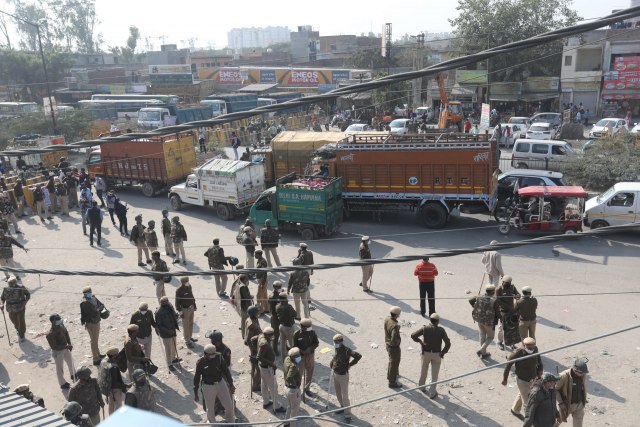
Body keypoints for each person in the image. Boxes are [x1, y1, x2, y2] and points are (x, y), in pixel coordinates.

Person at [410, 313, 451, 399]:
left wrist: (420, 342)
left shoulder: (425, 328)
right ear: (438, 321)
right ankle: (432, 393)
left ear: (430, 320)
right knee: (434, 374)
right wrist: (443, 352)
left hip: (426, 353)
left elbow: (413, 335)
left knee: (424, 370)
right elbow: (448, 343)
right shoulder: (441, 330)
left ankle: (422, 387)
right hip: (437, 354)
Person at [502, 337, 543, 421]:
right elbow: (508, 365)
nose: (531, 349)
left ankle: (515, 410)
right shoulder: (517, 353)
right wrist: (505, 379)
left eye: (532, 346)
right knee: (527, 402)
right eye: (529, 347)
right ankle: (529, 420)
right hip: (522, 380)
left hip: (533, 378)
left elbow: (539, 360)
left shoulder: (535, 349)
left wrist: (540, 371)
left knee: (522, 394)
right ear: (524, 345)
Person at [193, 344, 236, 423]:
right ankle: (213, 423)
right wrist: (195, 392)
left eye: (214, 354)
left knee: (229, 405)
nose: (213, 356)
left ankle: (230, 420)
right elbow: (197, 378)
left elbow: (226, 371)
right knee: (210, 408)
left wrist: (231, 384)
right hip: (208, 386)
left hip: (220, 383)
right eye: (211, 355)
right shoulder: (200, 362)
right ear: (205, 354)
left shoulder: (219, 357)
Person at [330, 334, 361, 423]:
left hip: (343, 375)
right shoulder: (337, 348)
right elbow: (336, 356)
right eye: (334, 342)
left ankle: (347, 415)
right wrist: (332, 363)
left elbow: (358, 356)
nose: (335, 343)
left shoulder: (347, 350)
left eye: (337, 342)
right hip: (335, 373)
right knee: (338, 393)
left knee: (345, 396)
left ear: (341, 342)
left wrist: (350, 365)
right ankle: (342, 407)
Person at [257, 327, 286, 414]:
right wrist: (271, 364)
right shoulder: (264, 344)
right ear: (266, 335)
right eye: (271, 335)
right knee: (274, 387)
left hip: (263, 367)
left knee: (264, 384)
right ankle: (276, 406)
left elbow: (253, 339)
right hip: (267, 368)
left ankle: (266, 402)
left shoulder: (261, 336)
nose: (272, 336)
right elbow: (259, 357)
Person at [469, 284, 500, 359]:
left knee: (482, 335)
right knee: (491, 337)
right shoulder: (494, 300)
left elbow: (471, 300)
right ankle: (481, 350)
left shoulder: (480, 296)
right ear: (492, 292)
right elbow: (498, 312)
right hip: (489, 322)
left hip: (479, 320)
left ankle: (483, 353)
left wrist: (474, 306)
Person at [556, 357, 589, 426]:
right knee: (558, 421)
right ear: (575, 370)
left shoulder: (583, 375)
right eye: (581, 373)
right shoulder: (564, 376)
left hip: (579, 404)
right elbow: (555, 389)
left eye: (584, 373)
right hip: (566, 404)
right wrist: (561, 403)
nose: (583, 374)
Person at [46, 313, 74, 389]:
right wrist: (66, 346)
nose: (59, 320)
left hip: (65, 348)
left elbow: (66, 334)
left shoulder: (61, 326)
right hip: (58, 352)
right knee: (59, 368)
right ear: (52, 321)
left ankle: (73, 374)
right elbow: (54, 347)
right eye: (57, 319)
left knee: (70, 362)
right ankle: (62, 383)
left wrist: (69, 343)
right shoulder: (50, 334)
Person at [292, 318, 319, 397]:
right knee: (298, 374)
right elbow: (294, 347)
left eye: (310, 326)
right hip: (300, 357)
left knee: (309, 372)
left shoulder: (312, 333)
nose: (310, 328)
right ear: (302, 327)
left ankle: (307, 389)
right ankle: (297, 389)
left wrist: (309, 349)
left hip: (310, 355)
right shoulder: (296, 334)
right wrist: (302, 351)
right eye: (308, 327)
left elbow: (316, 343)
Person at [155, 296, 180, 372]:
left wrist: (176, 315)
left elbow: (174, 315)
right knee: (168, 349)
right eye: (165, 301)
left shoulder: (170, 306)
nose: (167, 302)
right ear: (161, 303)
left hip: (173, 331)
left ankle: (173, 359)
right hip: (166, 334)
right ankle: (169, 364)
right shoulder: (159, 312)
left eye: (167, 301)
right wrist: (168, 331)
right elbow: (159, 326)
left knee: (173, 346)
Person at [496, 275, 521, 350]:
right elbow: (498, 301)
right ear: (503, 282)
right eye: (506, 283)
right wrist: (507, 306)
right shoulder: (499, 289)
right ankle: (499, 342)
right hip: (503, 311)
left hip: (511, 311)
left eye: (509, 283)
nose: (508, 284)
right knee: (501, 328)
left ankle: (511, 342)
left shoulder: (512, 287)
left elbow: (518, 296)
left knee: (512, 327)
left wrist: (517, 296)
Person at [1, 276, 30, 341]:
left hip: (20, 308)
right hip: (10, 309)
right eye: (9, 283)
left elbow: (28, 294)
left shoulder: (21, 287)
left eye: (12, 283)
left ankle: (22, 334)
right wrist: (2, 304)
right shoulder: (5, 289)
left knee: (21, 321)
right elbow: (2, 298)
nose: (10, 284)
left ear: (15, 282)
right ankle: (18, 329)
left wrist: (25, 302)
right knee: (14, 321)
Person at [99, 347, 127, 414]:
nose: (118, 355)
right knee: (118, 406)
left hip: (107, 389)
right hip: (115, 390)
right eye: (117, 354)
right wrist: (125, 386)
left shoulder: (103, 361)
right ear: (114, 355)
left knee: (111, 405)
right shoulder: (113, 367)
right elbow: (115, 383)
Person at [175, 276, 198, 348]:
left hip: (191, 307)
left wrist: (194, 305)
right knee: (186, 326)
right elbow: (177, 303)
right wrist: (180, 312)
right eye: (186, 281)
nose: (188, 282)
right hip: (184, 309)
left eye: (188, 281)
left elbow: (192, 296)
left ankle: (190, 337)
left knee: (191, 323)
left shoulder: (189, 286)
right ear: (183, 283)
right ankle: (187, 341)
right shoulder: (179, 290)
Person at [284, 347, 303, 427]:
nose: (299, 357)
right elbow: (289, 377)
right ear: (293, 357)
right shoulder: (293, 366)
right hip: (293, 390)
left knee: (289, 406)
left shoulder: (287, 359)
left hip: (286, 388)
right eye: (297, 356)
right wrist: (295, 385)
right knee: (294, 410)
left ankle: (286, 423)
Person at [245, 305, 262, 392]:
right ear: (254, 314)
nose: (258, 313)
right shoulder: (252, 325)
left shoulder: (250, 319)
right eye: (257, 312)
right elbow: (248, 339)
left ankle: (255, 379)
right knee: (258, 369)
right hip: (255, 347)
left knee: (254, 366)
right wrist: (254, 349)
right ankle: (255, 385)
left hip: (256, 345)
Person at [385, 306, 402, 388]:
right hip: (394, 348)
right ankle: (392, 382)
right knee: (394, 364)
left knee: (391, 362)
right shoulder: (395, 326)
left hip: (387, 344)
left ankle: (392, 375)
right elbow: (394, 339)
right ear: (397, 315)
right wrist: (397, 342)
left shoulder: (387, 319)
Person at [276, 293, 297, 360]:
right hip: (288, 328)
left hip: (281, 326)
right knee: (292, 344)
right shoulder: (288, 307)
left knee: (282, 344)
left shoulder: (277, 306)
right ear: (285, 299)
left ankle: (284, 359)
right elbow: (295, 314)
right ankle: (294, 360)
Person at [268, 280, 283, 355]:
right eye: (278, 287)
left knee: (282, 331)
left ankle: (283, 344)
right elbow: (272, 310)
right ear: (274, 287)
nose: (279, 288)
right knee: (276, 334)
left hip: (281, 316)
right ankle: (274, 348)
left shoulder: (280, 293)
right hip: (275, 317)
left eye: (280, 286)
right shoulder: (272, 297)